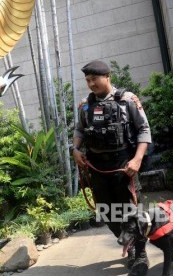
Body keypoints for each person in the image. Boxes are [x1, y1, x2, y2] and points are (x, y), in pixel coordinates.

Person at [72, 60, 152, 273]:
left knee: (133, 213)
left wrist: (137, 159)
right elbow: (79, 130)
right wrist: (75, 149)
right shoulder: (85, 105)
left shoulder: (127, 100)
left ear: (107, 76)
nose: (90, 84)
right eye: (87, 80)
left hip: (123, 165)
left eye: (94, 79)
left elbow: (144, 130)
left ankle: (140, 254)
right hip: (97, 167)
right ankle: (128, 242)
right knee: (106, 211)